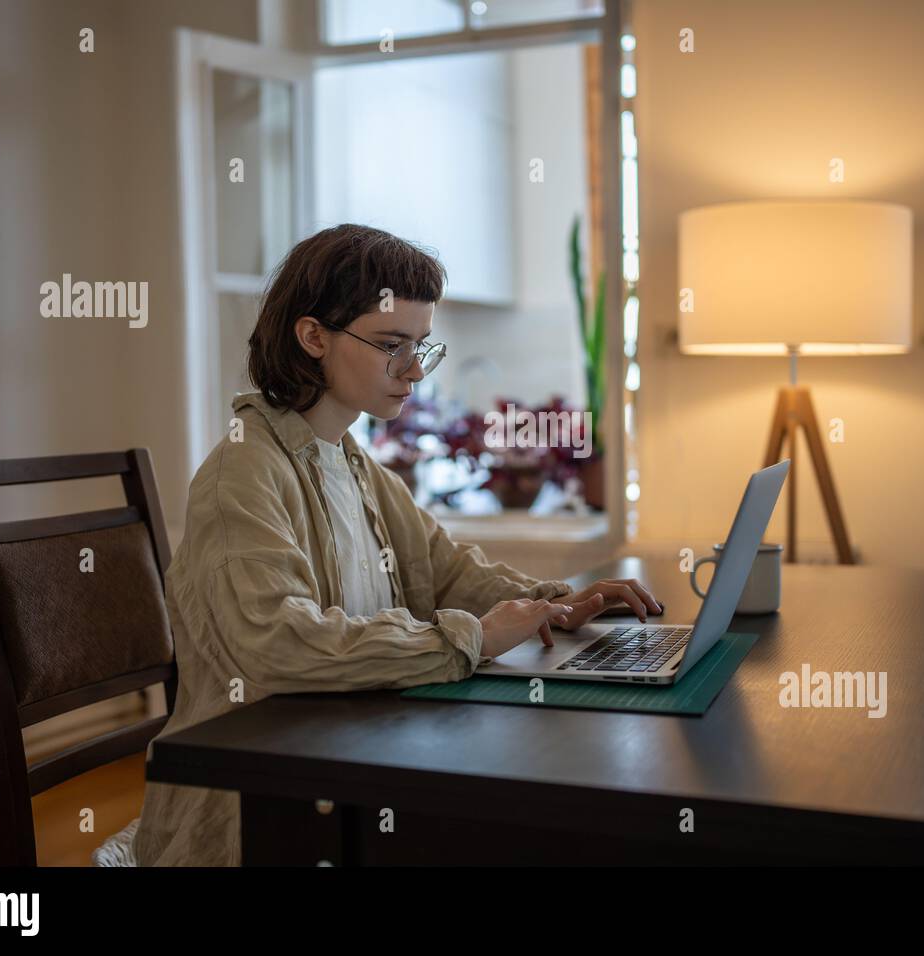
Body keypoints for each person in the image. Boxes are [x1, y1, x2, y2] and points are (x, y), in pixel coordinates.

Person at [130, 223, 663, 866]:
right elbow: (275, 646)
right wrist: (472, 638)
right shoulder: (241, 475)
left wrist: (556, 602)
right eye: (391, 345)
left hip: (346, 763)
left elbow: (444, 570)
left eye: (421, 347)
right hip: (260, 813)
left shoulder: (357, 466)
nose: (414, 371)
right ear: (313, 337)